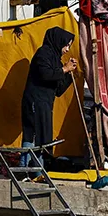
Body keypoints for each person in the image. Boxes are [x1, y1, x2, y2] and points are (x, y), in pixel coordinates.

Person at [21, 28, 77, 165]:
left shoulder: (56, 61)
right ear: (59, 41)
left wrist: (69, 75)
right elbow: (45, 75)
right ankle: (25, 167)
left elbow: (58, 90)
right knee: (33, 133)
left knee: (43, 136)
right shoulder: (43, 54)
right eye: (66, 45)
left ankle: (38, 170)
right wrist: (64, 69)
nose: (67, 49)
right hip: (35, 101)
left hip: (45, 104)